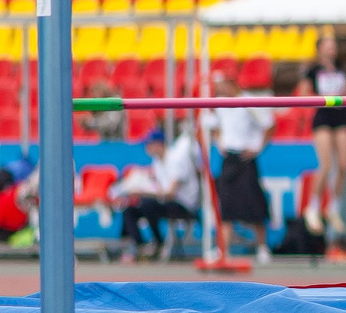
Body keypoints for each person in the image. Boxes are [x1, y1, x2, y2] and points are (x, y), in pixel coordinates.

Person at [206, 68, 275, 264]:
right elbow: (213, 126)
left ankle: (262, 247)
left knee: (254, 203)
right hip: (229, 159)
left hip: (246, 159)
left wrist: (257, 148)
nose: (218, 89)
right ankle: (223, 251)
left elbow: (269, 124)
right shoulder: (218, 104)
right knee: (226, 205)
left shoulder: (249, 102)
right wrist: (219, 141)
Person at [113, 127, 204, 259]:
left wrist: (143, 192)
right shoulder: (157, 162)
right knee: (130, 209)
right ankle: (141, 247)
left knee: (148, 204)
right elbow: (159, 190)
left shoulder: (175, 159)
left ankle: (158, 242)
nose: (147, 147)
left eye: (149, 144)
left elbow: (171, 193)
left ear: (159, 144)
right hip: (167, 202)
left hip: (184, 204)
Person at [304, 32, 346, 245]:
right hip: (323, 117)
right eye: (327, 46)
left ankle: (333, 208)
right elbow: (304, 94)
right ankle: (313, 207)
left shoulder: (342, 68)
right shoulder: (312, 70)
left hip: (342, 117)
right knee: (326, 165)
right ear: (319, 49)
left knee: (344, 166)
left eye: (333, 46)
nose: (332, 49)